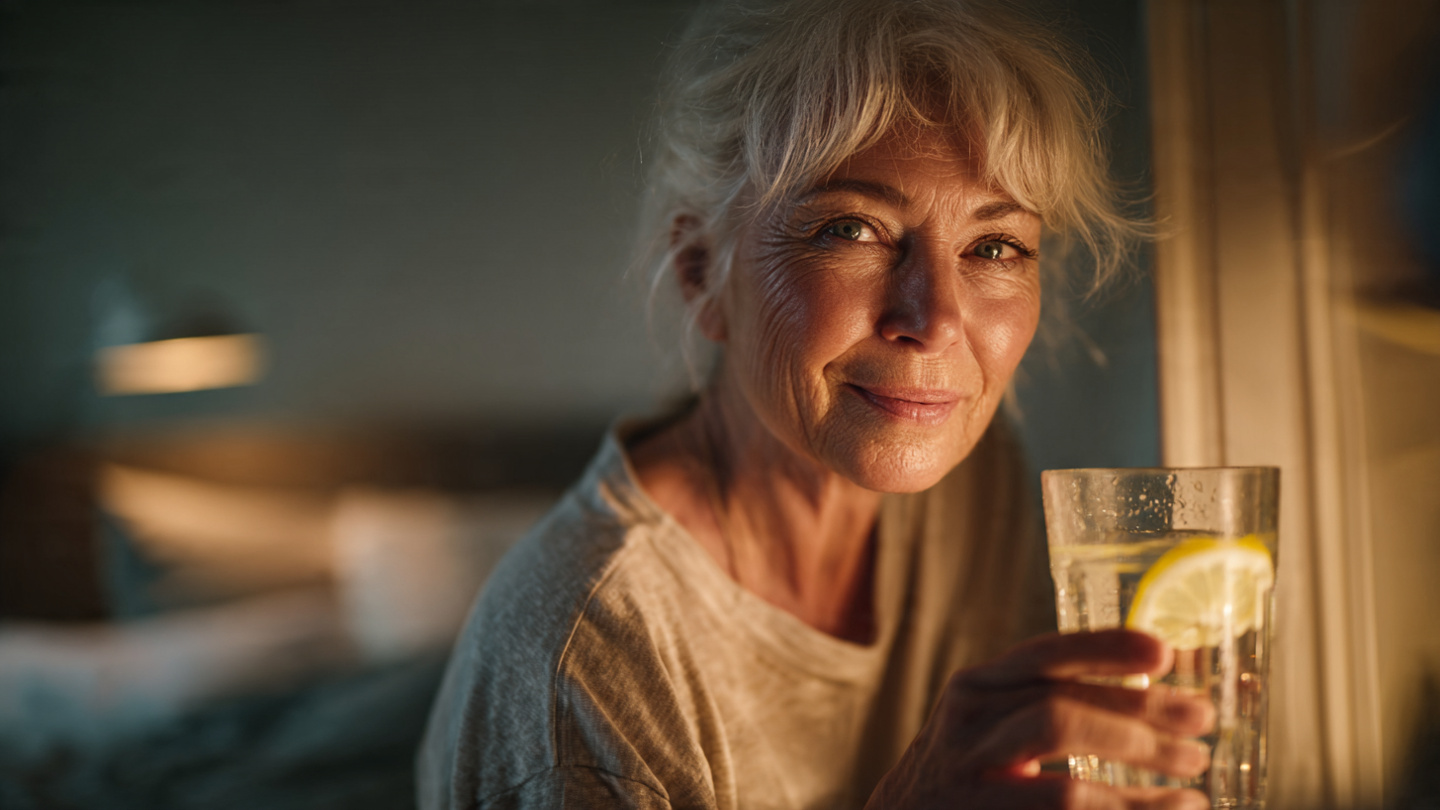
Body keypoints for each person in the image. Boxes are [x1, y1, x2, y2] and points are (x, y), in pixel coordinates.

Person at [418, 0, 1214, 807]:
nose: (935, 320)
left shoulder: (973, 486)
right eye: (852, 230)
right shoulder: (584, 664)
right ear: (702, 272)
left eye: (994, 246)